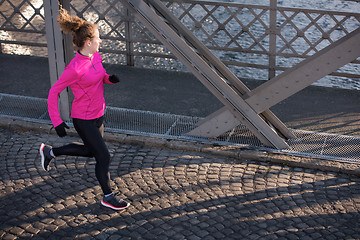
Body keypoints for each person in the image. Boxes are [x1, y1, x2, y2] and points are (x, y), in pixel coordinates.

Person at [39, 6, 129, 211]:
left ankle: (50, 152)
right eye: (98, 38)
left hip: (99, 114)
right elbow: (54, 92)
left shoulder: (95, 56)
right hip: (83, 119)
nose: (101, 41)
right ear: (88, 42)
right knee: (103, 156)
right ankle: (108, 196)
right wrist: (57, 121)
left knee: (91, 151)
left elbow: (99, 77)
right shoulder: (74, 69)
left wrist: (109, 79)